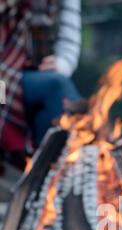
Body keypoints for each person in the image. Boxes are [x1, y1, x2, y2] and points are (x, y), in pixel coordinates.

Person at [0, 0, 82, 165]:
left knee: (52, 106)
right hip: (3, 77)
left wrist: (62, 63)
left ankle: (50, 176)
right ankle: (56, 174)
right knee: (55, 87)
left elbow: (69, 39)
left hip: (25, 73)